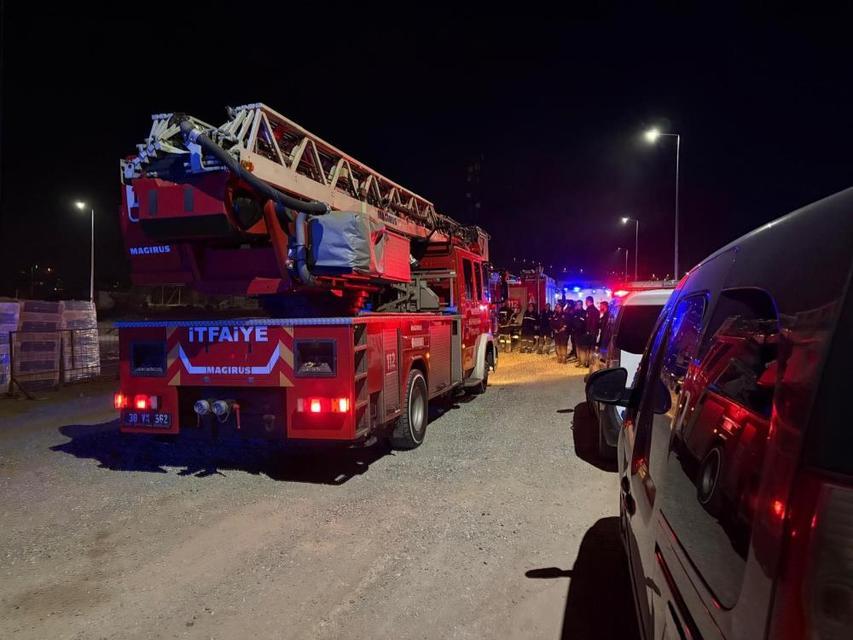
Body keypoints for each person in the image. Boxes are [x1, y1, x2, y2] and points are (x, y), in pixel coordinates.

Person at [577, 296, 601, 368]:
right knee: (592, 348)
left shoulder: (589, 310)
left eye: (586, 301)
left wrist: (588, 331)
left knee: (587, 348)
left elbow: (589, 322)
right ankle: (590, 362)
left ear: (589, 301)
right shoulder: (596, 310)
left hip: (589, 332)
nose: (585, 303)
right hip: (594, 332)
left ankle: (587, 363)